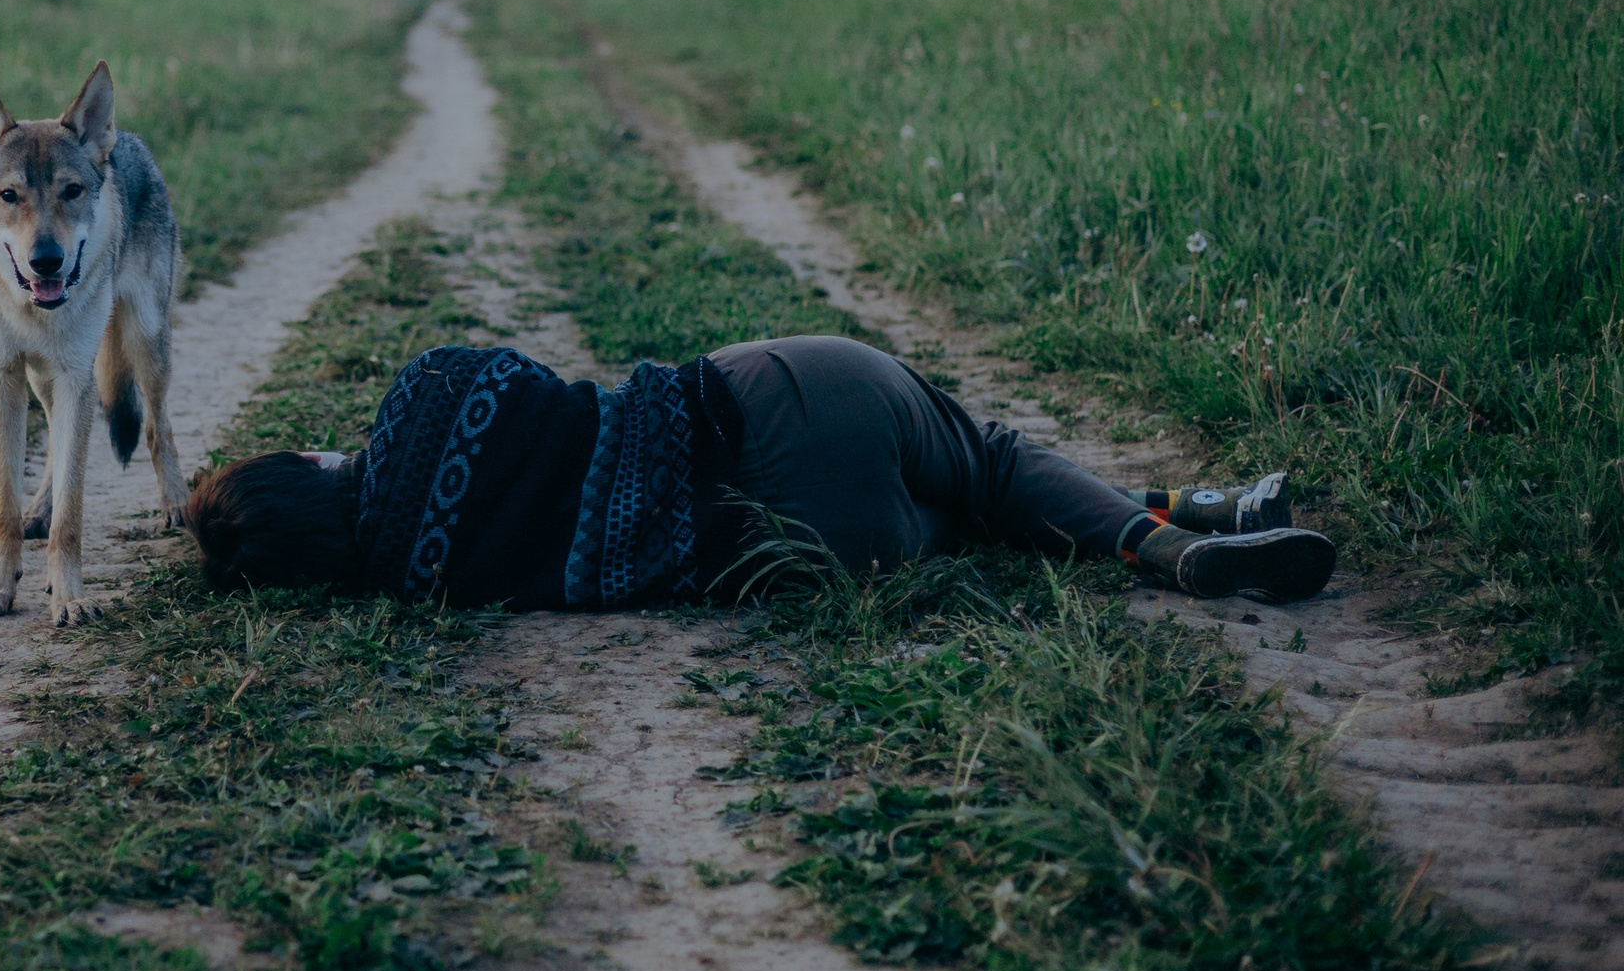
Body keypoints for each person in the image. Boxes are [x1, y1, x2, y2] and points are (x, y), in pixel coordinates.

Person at [185, 336, 1335, 610]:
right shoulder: (426, 391)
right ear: (304, 463)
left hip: (807, 552)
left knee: (975, 517)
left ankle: (1194, 529)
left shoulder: (413, 580)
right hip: (785, 396)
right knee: (988, 460)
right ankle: (1174, 526)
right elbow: (524, 383)